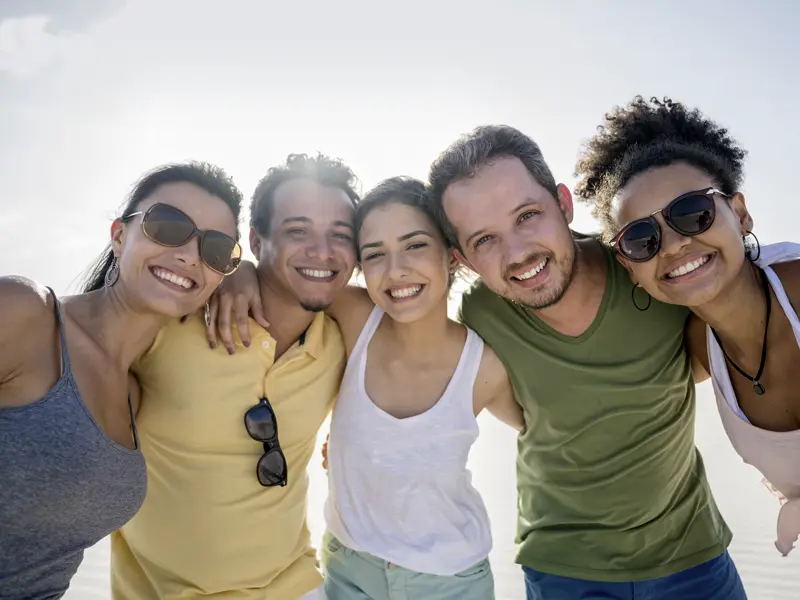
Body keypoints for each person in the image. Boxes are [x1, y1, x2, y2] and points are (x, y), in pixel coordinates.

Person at [425, 124, 746, 599]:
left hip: (693, 557)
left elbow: (713, 352)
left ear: (564, 203)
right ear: (463, 259)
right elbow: (509, 411)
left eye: (528, 215)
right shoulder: (478, 316)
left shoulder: (645, 262)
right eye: (484, 240)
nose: (518, 253)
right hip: (565, 572)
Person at [211, 176, 523, 599]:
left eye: (415, 245)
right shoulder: (356, 316)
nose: (396, 271)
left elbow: (542, 432)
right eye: (375, 254)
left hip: (450, 582)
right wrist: (240, 273)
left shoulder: (484, 367)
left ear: (452, 257)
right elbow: (283, 278)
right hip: (348, 571)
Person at [109, 153, 359, 600]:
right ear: (256, 241)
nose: (322, 251)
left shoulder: (344, 343)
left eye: (340, 236)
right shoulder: (170, 323)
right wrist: (231, 273)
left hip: (299, 587)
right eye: (298, 231)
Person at [0, 161, 244, 600]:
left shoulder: (135, 395)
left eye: (216, 249)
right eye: (167, 225)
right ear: (118, 236)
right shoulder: (24, 315)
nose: (190, 255)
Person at [573, 95, 800, 557]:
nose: (675, 245)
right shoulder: (698, 347)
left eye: (692, 212)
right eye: (641, 238)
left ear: (739, 213)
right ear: (629, 266)